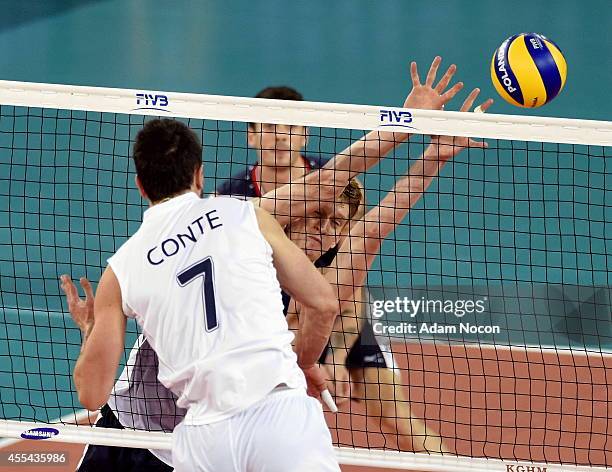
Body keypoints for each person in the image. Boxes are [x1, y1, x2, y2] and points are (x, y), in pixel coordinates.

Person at [69, 118, 342, 472]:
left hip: (203, 437)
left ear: (140, 185)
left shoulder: (120, 271)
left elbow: (92, 395)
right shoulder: (245, 214)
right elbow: (324, 303)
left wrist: (90, 332)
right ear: (199, 175)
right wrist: (304, 362)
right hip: (278, 415)